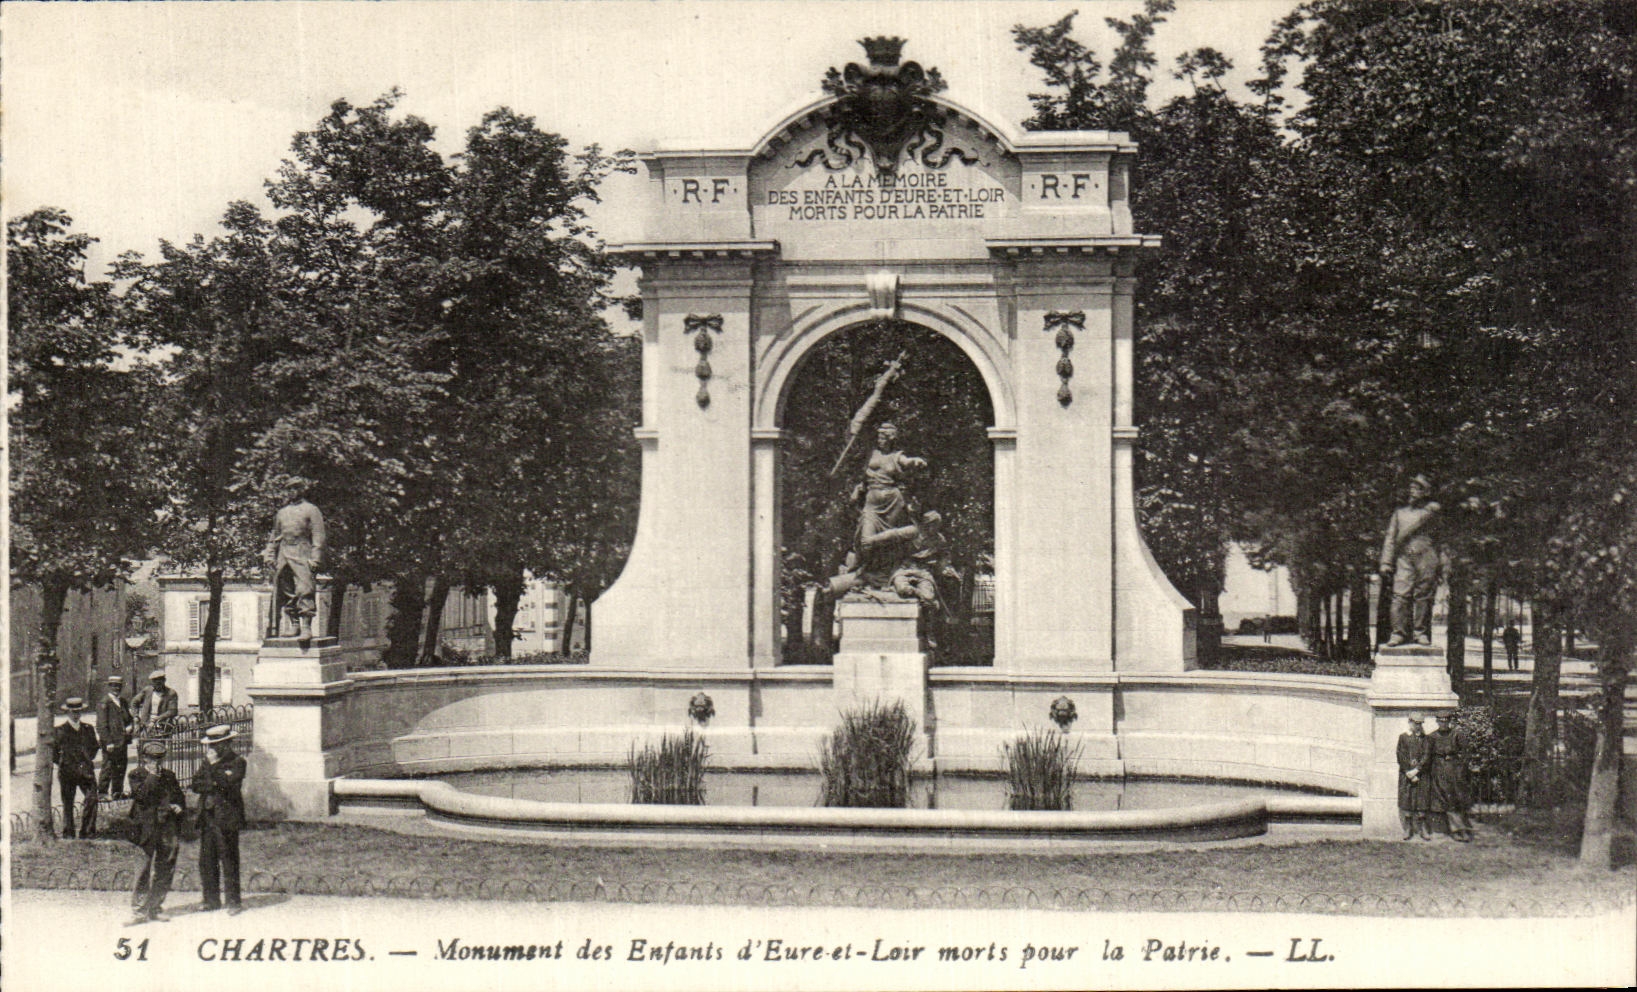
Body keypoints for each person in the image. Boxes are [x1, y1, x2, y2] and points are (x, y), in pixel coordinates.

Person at [1378, 474, 1443, 647]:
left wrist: (1443, 564)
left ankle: (1420, 633)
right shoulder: (1400, 514)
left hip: (1427, 555)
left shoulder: (1432, 512)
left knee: (1424, 595)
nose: (1413, 492)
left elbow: (1442, 539)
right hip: (1404, 557)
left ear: (1426, 492)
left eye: (1418, 488)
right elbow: (1391, 538)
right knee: (1400, 594)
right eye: (1412, 488)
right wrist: (1386, 562)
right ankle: (1398, 633)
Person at [126, 740, 185, 924]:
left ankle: (155, 907)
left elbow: (179, 797)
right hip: (146, 829)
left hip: (167, 827)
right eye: (152, 759)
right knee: (143, 869)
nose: (157, 763)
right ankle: (139, 911)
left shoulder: (169, 776)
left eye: (160, 759)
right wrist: (152, 776)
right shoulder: (136, 775)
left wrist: (178, 806)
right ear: (144, 758)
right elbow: (142, 796)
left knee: (165, 867)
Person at [191, 724, 246, 915]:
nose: (212, 749)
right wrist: (214, 782)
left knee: (229, 858)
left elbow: (227, 785)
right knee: (207, 860)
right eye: (211, 745)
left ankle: (233, 902)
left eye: (216, 745)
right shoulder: (208, 762)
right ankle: (210, 900)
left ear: (227, 744)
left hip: (227, 817)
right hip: (208, 816)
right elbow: (195, 784)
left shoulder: (238, 762)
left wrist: (214, 771)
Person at [264, 492, 326, 643]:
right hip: (284, 553)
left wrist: (316, 557)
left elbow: (318, 534)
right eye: (289, 489)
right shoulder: (282, 513)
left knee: (305, 589)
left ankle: (306, 627)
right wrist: (269, 554)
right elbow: (275, 536)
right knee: (286, 591)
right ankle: (295, 624)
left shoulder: (311, 510)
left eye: (295, 488)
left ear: (301, 491)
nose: (292, 492)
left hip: (302, 550)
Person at [52, 697, 101, 838]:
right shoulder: (60, 730)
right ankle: (69, 833)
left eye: (78, 711)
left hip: (86, 771)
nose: (75, 714)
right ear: (67, 712)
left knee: (92, 798)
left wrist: (85, 760)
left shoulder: (88, 728)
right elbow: (54, 753)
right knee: (68, 802)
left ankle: (87, 831)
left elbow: (94, 747)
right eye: (73, 712)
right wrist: (64, 762)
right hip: (67, 771)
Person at [1429, 711, 1475, 842]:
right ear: (1437, 721)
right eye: (1440, 721)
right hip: (1439, 771)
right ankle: (1458, 830)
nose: (1443, 723)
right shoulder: (1432, 737)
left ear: (1449, 721)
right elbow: (1428, 755)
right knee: (1448, 800)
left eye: (1445, 721)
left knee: (1458, 798)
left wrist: (1461, 768)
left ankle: (1463, 828)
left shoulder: (1456, 734)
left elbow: (1466, 753)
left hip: (1455, 770)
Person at [1396, 713, 1433, 840]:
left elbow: (1427, 756)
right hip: (1406, 775)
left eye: (1419, 723)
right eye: (1415, 723)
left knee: (1422, 800)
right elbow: (1401, 755)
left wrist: (1417, 770)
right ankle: (1408, 828)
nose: (1417, 726)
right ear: (1409, 722)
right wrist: (1408, 772)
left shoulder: (1426, 739)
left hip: (1421, 775)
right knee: (1407, 800)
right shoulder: (1403, 737)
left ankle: (1422, 828)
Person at [97, 675, 133, 799]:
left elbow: (128, 718)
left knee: (121, 766)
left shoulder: (122, 702)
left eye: (118, 686)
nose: (116, 688)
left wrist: (130, 726)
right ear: (109, 686)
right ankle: (102, 793)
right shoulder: (104, 702)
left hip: (122, 740)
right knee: (108, 766)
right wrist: (108, 741)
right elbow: (101, 725)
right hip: (111, 742)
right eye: (113, 686)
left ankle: (117, 792)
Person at [133, 670, 179, 740]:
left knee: (160, 747)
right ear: (152, 682)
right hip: (146, 724)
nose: (157, 684)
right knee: (145, 746)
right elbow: (134, 702)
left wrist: (157, 718)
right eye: (155, 681)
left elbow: (173, 711)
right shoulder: (147, 690)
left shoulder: (171, 693)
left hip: (163, 725)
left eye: (160, 681)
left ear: (164, 681)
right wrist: (136, 716)